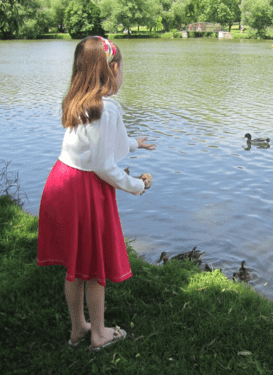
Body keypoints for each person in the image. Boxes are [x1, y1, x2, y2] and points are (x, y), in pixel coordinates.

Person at [37, 36, 156, 351]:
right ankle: (99, 334)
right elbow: (104, 165)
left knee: (75, 266)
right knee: (94, 267)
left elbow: (100, 146)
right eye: (122, 68)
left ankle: (78, 328)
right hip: (85, 192)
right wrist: (136, 186)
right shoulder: (109, 107)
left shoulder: (79, 100)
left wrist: (133, 144)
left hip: (62, 183)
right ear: (113, 68)